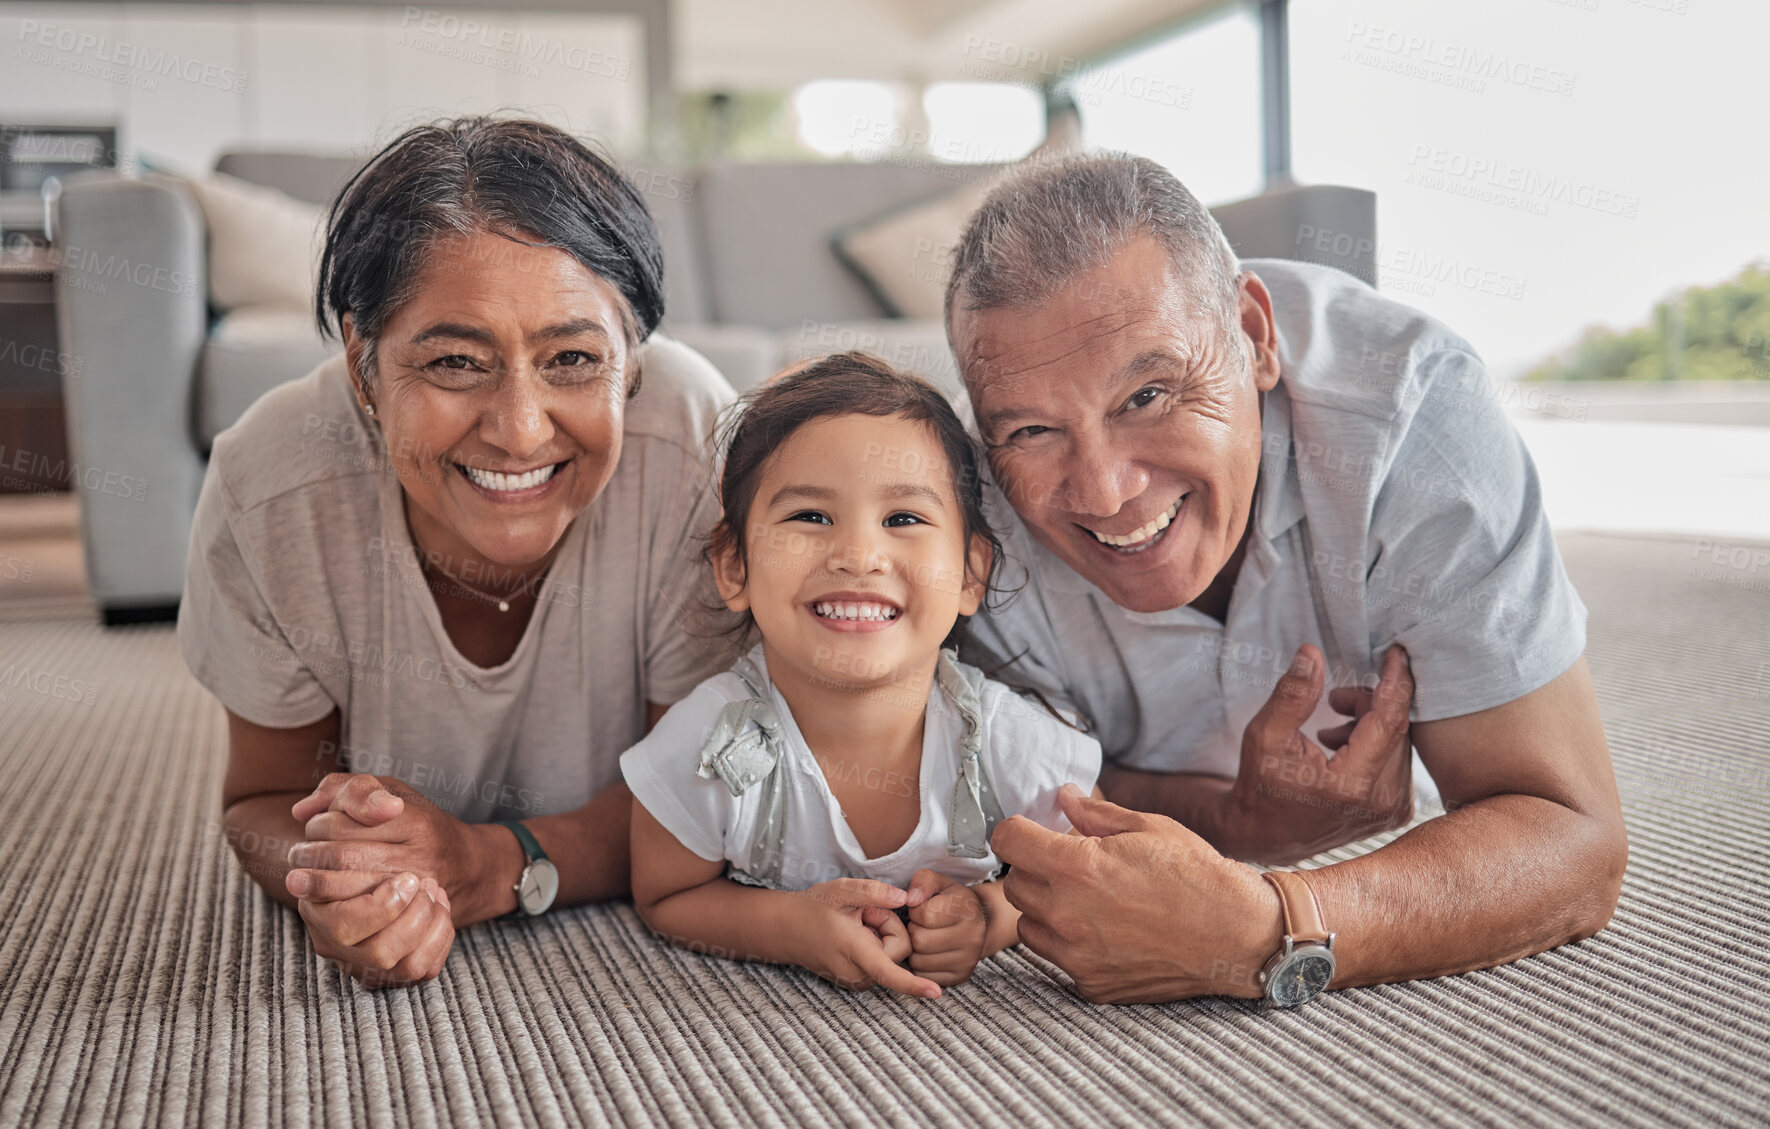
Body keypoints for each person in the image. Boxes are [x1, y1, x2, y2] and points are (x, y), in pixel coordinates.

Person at [946, 153, 1628, 1005]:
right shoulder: (965, 513)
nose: (1106, 491)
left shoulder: (1417, 425)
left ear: (1254, 336)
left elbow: (1572, 836)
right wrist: (1240, 824)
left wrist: (1273, 924)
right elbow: (1005, 787)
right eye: (1035, 431)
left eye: (1148, 394)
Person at [179, 117, 737, 989]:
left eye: (573, 359)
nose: (519, 430)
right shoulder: (272, 487)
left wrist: (488, 864)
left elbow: (705, 793)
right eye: (453, 362)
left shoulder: (695, 456)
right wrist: (349, 878)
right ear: (364, 368)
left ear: (631, 365)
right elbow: (260, 801)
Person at [623, 354, 1102, 998]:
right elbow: (667, 895)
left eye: (903, 519)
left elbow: (1087, 877)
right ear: (734, 566)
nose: (857, 555)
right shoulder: (712, 747)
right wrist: (791, 929)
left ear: (969, 573)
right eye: (810, 517)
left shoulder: (1008, 743)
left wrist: (989, 918)